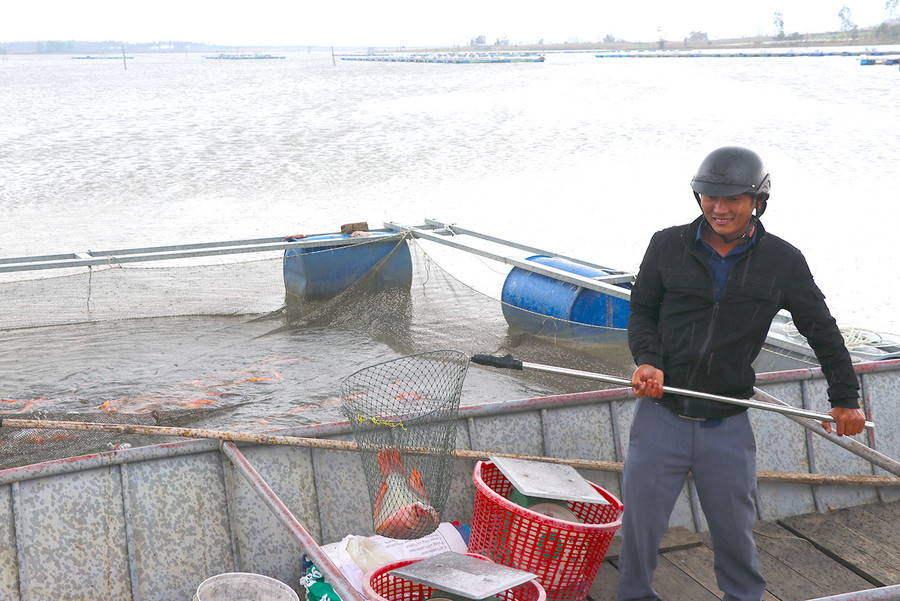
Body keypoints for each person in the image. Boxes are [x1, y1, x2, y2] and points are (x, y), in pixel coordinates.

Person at [617, 146, 867, 601]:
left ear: (757, 200)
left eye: (732, 198)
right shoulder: (665, 244)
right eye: (708, 196)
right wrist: (647, 360)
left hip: (727, 424)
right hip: (660, 415)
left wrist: (846, 398)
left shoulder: (783, 261)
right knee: (637, 531)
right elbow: (641, 312)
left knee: (735, 534)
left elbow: (824, 333)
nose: (719, 207)